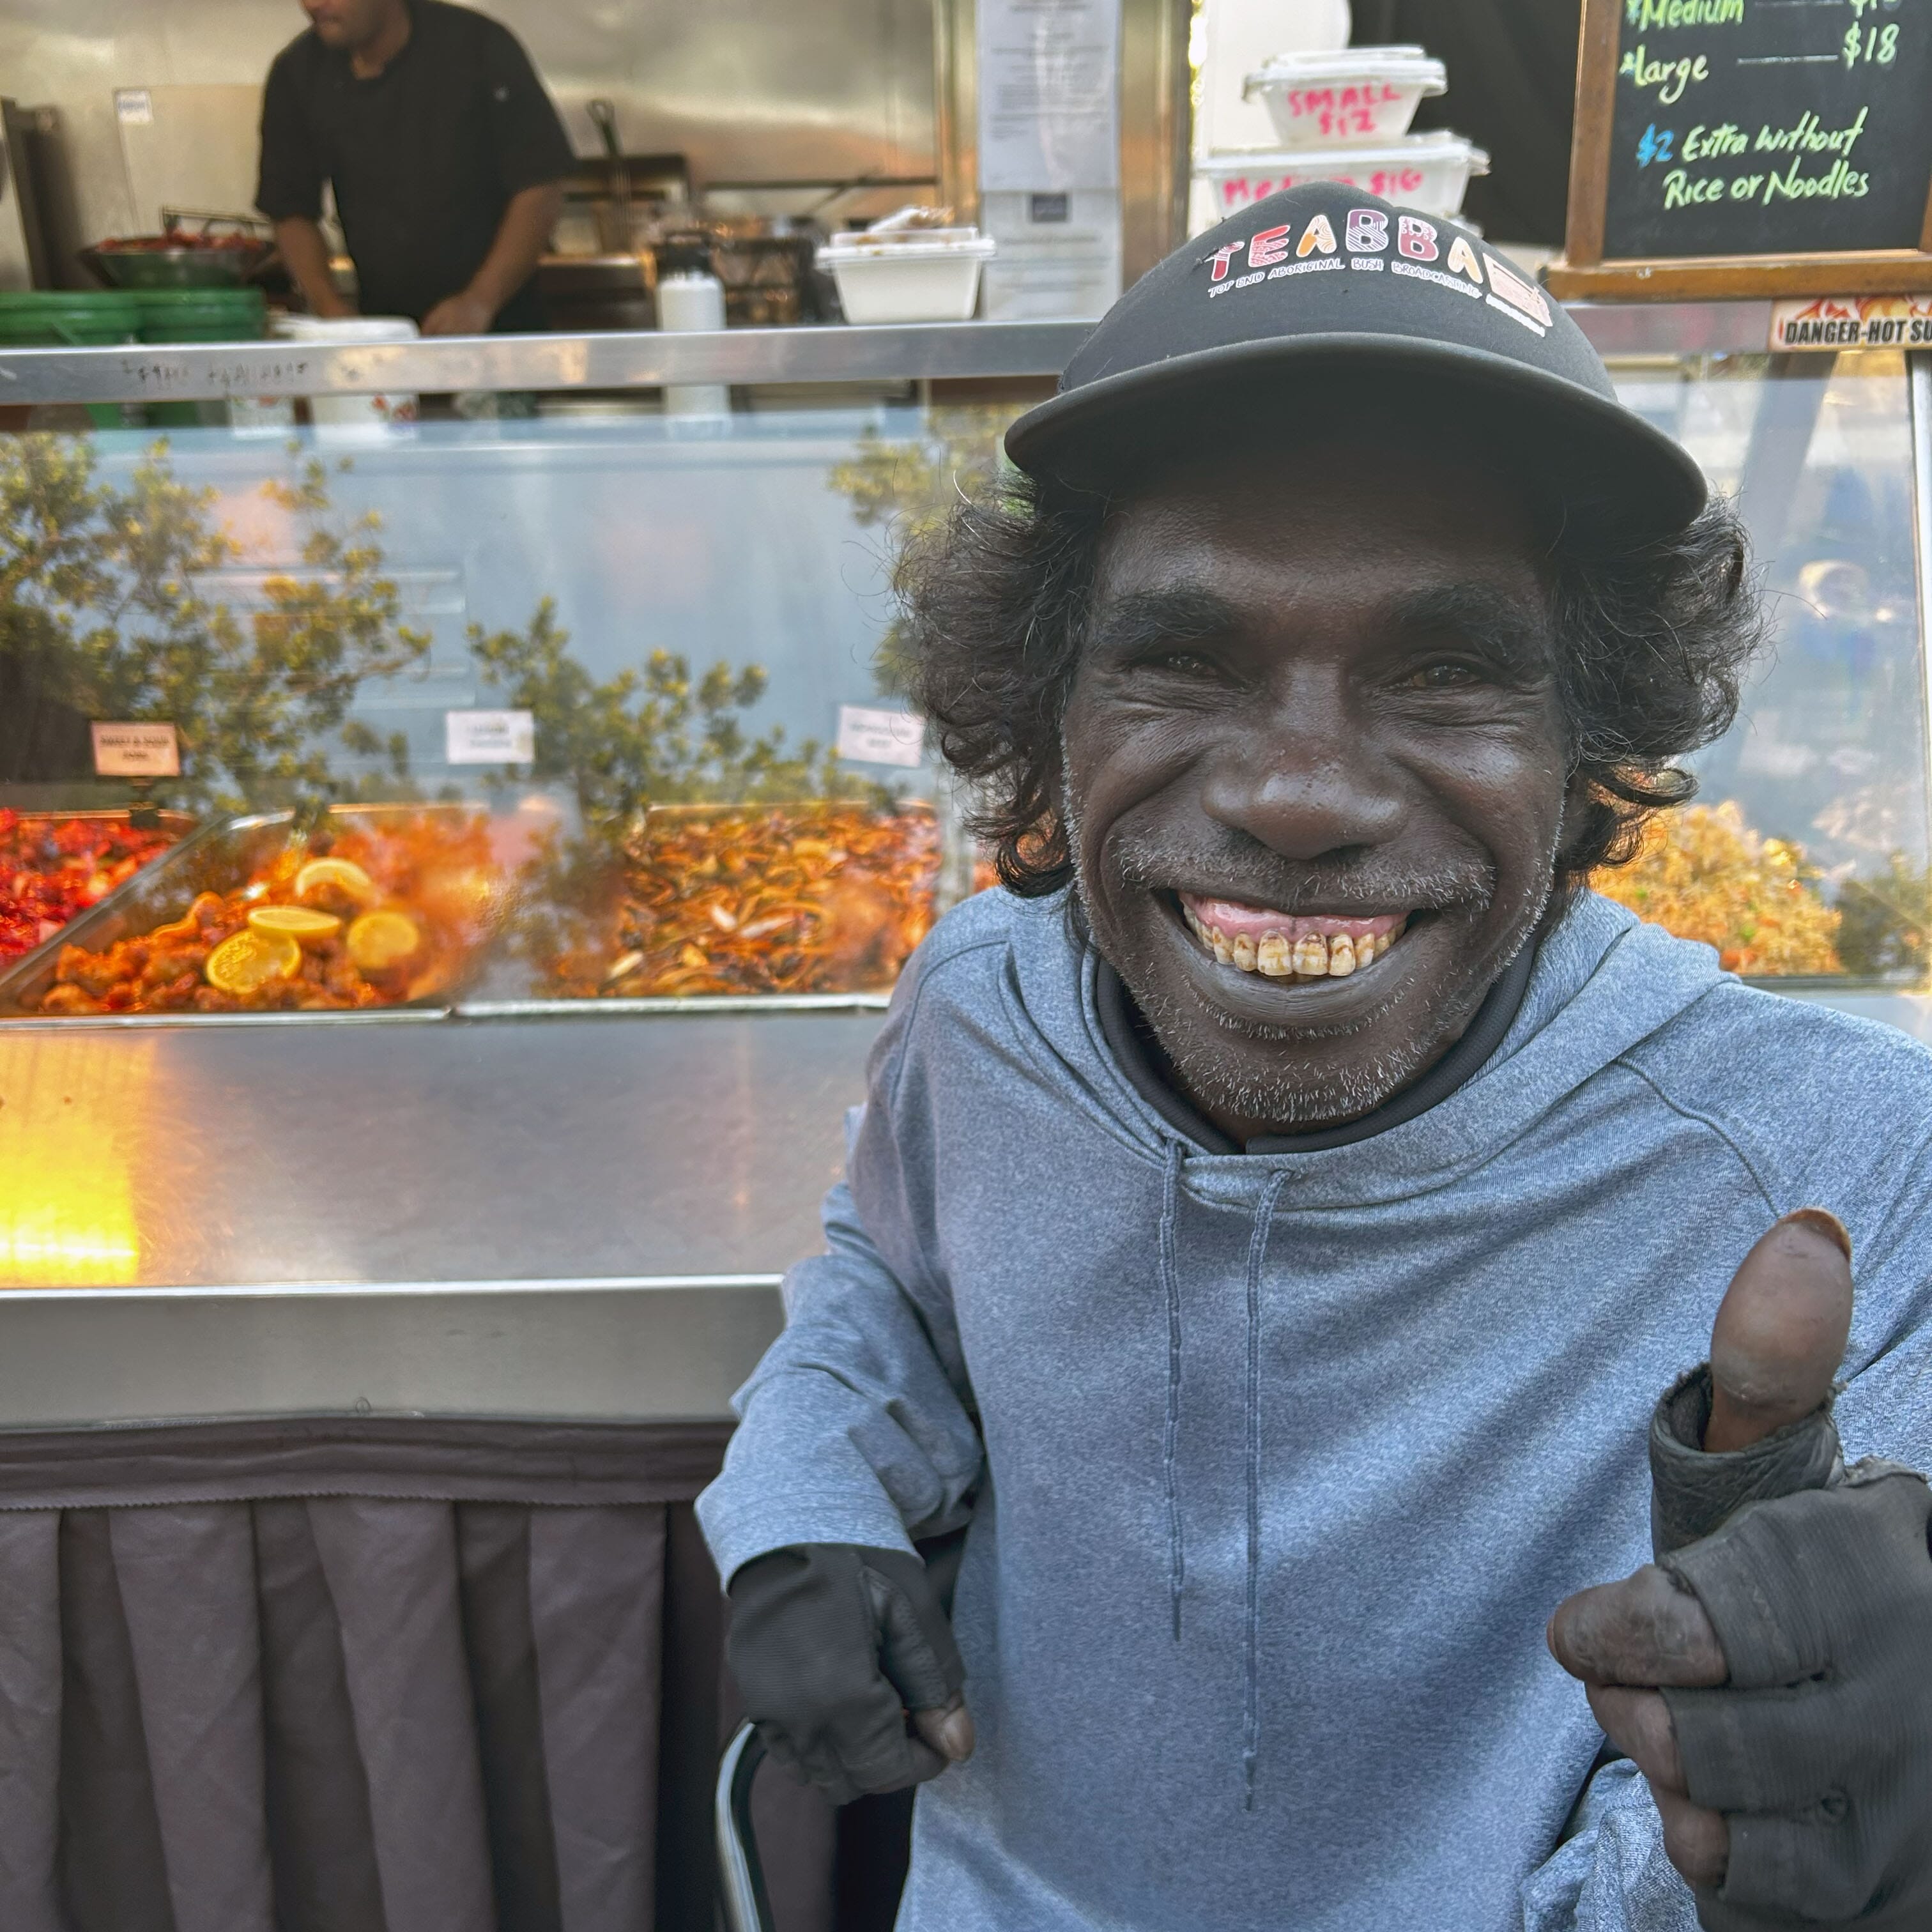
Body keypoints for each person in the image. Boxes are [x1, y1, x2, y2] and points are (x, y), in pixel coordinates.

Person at [697, 183, 1932, 1931]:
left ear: (1593, 745)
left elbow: (1833, 1713)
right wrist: (808, 1506)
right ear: (1047, 713)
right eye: (1183, 662)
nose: (1297, 792)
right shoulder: (981, 1003)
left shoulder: (1842, 1174)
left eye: (1445, 675)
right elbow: (882, 1284)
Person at [256, 0, 573, 334]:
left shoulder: (477, 48)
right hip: (386, 336)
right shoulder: (298, 72)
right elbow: (289, 208)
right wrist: (328, 307)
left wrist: (480, 301)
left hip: (502, 333)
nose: (313, 4)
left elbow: (540, 186)